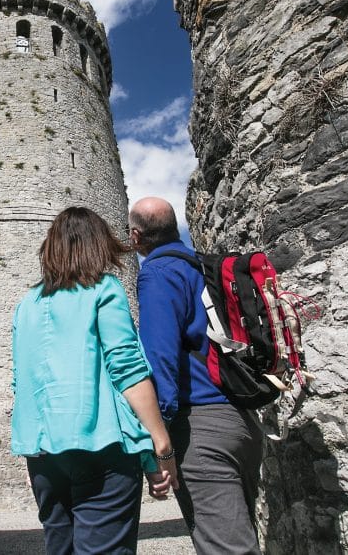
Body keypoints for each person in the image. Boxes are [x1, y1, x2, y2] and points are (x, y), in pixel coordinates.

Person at [11, 206, 179, 555]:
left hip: (43, 454)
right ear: (97, 244)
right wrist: (160, 445)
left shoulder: (26, 304)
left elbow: (22, 383)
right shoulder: (105, 289)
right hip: (100, 449)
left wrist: (34, 453)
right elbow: (127, 368)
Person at [128, 196, 264, 555]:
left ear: (136, 237)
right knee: (240, 537)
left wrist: (162, 436)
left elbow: (159, 355)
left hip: (202, 429)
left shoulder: (158, 274)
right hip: (243, 422)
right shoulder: (204, 267)